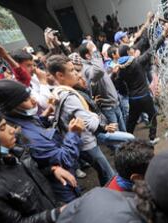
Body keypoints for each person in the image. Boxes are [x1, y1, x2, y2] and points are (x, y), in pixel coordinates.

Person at [0, 79, 84, 203]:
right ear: (11, 107)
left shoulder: (20, 116)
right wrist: (73, 134)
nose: (34, 100)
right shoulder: (24, 136)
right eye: (25, 100)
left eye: (30, 95)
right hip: (60, 186)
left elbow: (35, 124)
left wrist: (47, 113)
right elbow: (64, 159)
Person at [46, 54, 116, 186]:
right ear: (60, 75)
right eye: (72, 70)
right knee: (109, 173)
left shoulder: (57, 93)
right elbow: (89, 123)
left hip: (82, 142)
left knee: (103, 172)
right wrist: (94, 116)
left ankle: (106, 191)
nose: (77, 74)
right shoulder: (69, 96)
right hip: (86, 143)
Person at [115, 24, 168, 144]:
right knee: (152, 115)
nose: (132, 49)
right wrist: (163, 35)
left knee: (131, 121)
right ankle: (151, 138)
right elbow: (152, 49)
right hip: (144, 97)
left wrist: (126, 93)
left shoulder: (120, 69)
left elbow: (119, 85)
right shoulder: (137, 62)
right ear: (129, 52)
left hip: (133, 98)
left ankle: (127, 140)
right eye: (130, 49)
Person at [79, 40, 126, 131]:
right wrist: (95, 53)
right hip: (107, 106)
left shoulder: (94, 64)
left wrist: (110, 72)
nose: (97, 52)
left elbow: (102, 77)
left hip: (113, 102)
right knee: (117, 135)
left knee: (123, 131)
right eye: (93, 50)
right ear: (88, 55)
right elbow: (99, 71)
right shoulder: (86, 69)